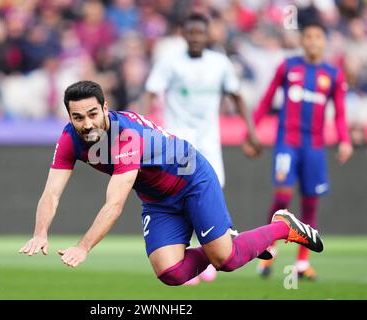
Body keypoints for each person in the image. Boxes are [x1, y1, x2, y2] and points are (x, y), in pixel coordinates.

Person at [19, 80, 324, 287]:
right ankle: (234, 241)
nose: (86, 124)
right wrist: (39, 233)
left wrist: (84, 247)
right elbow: (52, 191)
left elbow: (114, 204)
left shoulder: (127, 138)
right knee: (170, 273)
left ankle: (283, 227)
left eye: (92, 114)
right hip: (157, 197)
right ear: (69, 116)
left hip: (191, 180)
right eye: (77, 117)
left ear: (105, 108)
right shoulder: (69, 138)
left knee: (226, 261)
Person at [143, 13, 261, 284]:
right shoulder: (169, 62)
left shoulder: (220, 63)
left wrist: (251, 132)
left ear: (208, 35)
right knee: (182, 196)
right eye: (191, 32)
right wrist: (145, 132)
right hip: (179, 141)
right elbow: (151, 93)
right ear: (183, 34)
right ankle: (187, 255)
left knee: (212, 193)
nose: (196, 37)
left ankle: (207, 253)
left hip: (208, 140)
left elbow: (237, 95)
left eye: (200, 33)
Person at [249, 21, 353, 280]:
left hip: (315, 147)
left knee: (310, 203)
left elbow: (340, 113)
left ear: (324, 41)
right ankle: (268, 250)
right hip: (288, 143)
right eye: (309, 36)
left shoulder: (333, 74)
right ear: (302, 40)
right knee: (282, 197)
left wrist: (345, 140)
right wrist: (250, 132)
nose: (313, 41)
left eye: (318, 36)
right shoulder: (288, 67)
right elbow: (266, 99)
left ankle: (302, 263)